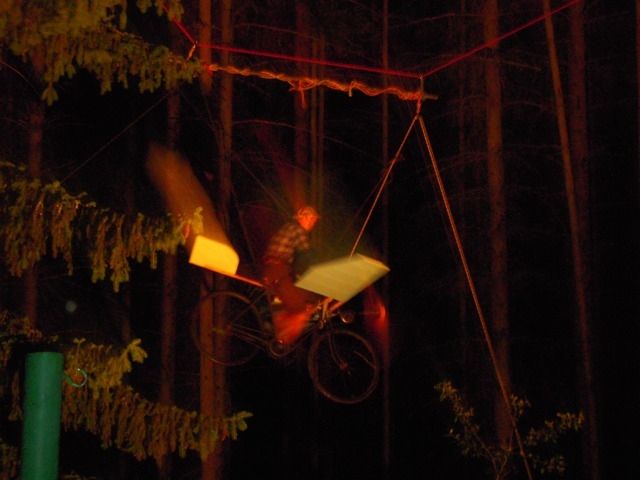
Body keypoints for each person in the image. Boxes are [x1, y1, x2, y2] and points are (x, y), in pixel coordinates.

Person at [262, 205, 321, 344]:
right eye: (313, 220)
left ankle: (279, 327)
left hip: (278, 269)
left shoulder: (290, 227)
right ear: (306, 217)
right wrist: (322, 271)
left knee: (307, 298)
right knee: (300, 311)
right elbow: (308, 255)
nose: (313, 224)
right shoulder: (297, 230)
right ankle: (281, 339)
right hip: (277, 270)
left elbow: (300, 260)